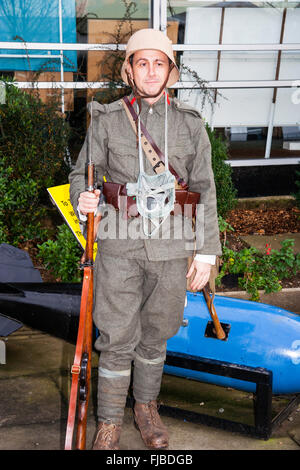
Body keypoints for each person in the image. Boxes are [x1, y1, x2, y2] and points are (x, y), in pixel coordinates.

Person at [69, 28, 222, 450]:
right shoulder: (106, 119)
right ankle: (110, 422)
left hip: (173, 248)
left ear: (170, 72)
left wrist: (206, 253)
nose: (151, 71)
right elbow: (82, 175)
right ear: (130, 71)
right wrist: (83, 199)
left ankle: (146, 408)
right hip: (119, 245)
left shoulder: (190, 125)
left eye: (159, 63)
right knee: (116, 336)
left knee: (157, 333)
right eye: (142, 62)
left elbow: (206, 191)